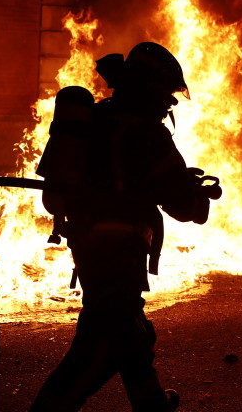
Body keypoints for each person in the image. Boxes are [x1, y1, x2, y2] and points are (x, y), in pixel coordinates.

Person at [32, 42, 214, 412]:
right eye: (166, 94)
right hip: (121, 250)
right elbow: (183, 206)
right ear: (150, 89)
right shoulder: (148, 133)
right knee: (101, 348)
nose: (169, 104)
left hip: (87, 244)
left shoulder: (96, 119)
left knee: (127, 331)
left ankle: (151, 405)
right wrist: (199, 198)